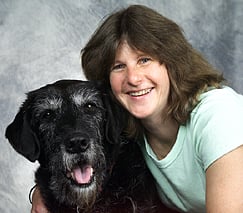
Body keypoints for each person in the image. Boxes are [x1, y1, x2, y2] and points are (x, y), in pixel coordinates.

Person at [31, 4, 243, 213]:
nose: (133, 78)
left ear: (172, 62)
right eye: (119, 66)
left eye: (144, 60)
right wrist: (42, 190)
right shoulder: (128, 128)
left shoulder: (219, 114)